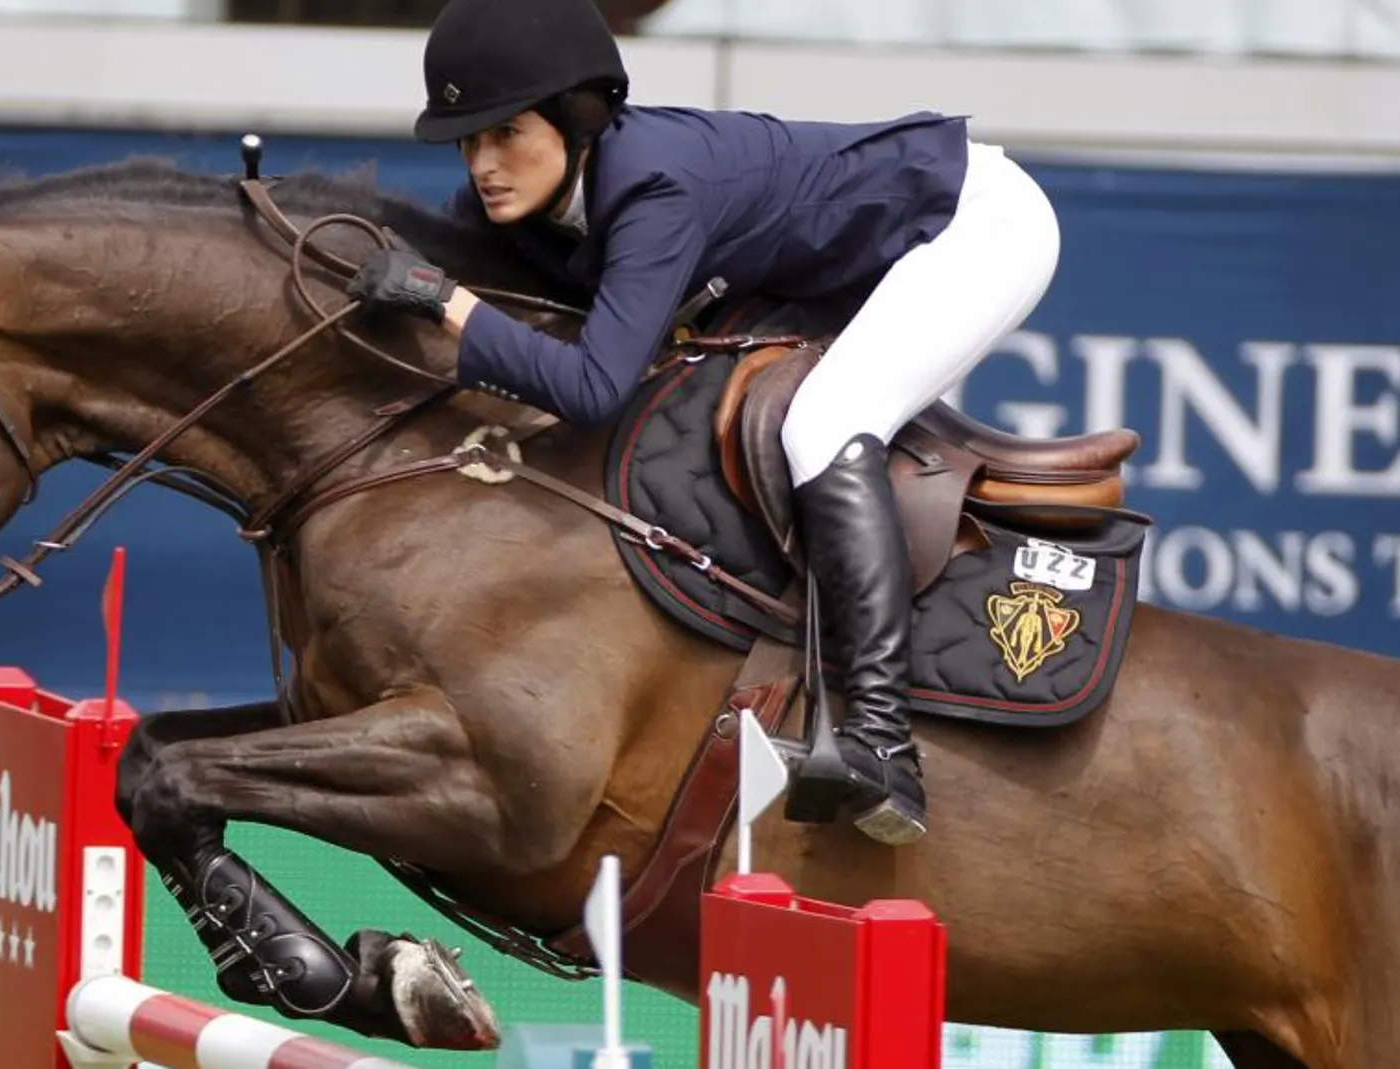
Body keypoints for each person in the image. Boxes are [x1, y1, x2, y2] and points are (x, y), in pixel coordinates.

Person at [344, 0, 1062, 846]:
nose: (484, 164)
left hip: (974, 228)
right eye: (469, 141)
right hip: (867, 253)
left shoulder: (654, 186)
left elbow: (591, 386)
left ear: (577, 119)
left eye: (505, 134)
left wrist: (445, 301)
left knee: (825, 422)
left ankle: (880, 744)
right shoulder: (524, 197)